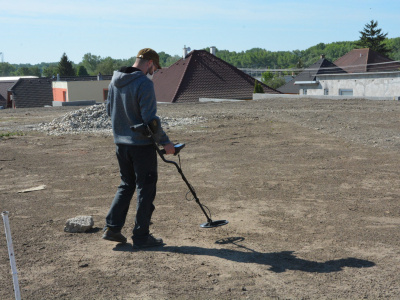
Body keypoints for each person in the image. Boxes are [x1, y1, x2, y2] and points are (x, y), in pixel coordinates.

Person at [103, 48, 175, 249]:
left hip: (121, 144)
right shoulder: (144, 83)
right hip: (141, 146)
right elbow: (150, 120)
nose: (153, 71)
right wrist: (166, 143)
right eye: (154, 68)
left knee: (127, 184)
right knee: (146, 187)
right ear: (150, 63)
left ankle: (112, 228)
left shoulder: (114, 81)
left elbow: (110, 111)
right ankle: (142, 236)